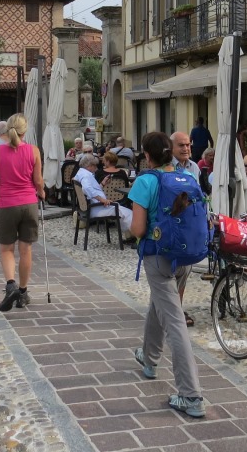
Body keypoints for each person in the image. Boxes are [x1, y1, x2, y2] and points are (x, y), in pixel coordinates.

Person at [128, 131, 206, 418]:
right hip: (185, 256)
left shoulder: (145, 181)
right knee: (160, 302)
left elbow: (137, 230)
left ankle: (191, 395)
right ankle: (149, 359)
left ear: (147, 156)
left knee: (175, 322)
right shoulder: (188, 178)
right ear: (170, 153)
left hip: (158, 256)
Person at [0, 113, 45, 312]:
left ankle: (10, 284)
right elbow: (38, 181)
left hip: (7, 204)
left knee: (6, 249)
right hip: (29, 203)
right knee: (26, 249)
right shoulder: (34, 151)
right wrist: (42, 192)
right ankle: (22, 292)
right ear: (24, 130)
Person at [171, 131, 205, 326]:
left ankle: (176, 309)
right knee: (173, 269)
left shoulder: (194, 167)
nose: (186, 148)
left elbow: (198, 194)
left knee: (185, 268)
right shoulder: (167, 167)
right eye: (181, 145)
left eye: (188, 145)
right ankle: (173, 311)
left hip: (189, 224)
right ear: (172, 148)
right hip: (173, 223)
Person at [74, 153, 134, 242]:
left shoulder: (81, 173)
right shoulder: (86, 175)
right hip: (96, 208)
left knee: (122, 211)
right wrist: (103, 200)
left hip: (91, 207)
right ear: (89, 166)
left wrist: (102, 184)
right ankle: (136, 237)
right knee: (128, 212)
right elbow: (87, 189)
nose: (96, 168)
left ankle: (130, 236)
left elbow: (91, 190)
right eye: (95, 165)